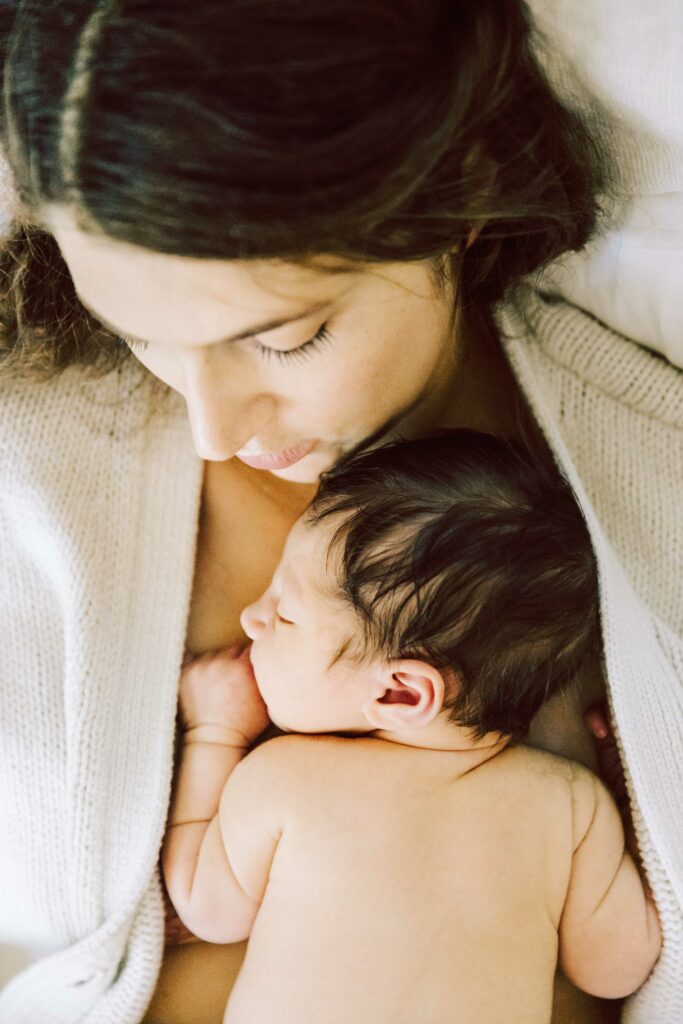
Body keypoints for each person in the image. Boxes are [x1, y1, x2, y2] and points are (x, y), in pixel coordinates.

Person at [0, 1, 680, 1022]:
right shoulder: (32, 476)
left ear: (460, 192)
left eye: (283, 339)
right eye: (138, 332)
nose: (213, 427)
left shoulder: (650, 484)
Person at [163, 431, 661, 1023]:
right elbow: (617, 967)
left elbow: (206, 907)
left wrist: (214, 733)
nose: (252, 616)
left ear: (400, 692)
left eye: (285, 612)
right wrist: (632, 791)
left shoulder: (287, 778)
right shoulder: (573, 808)